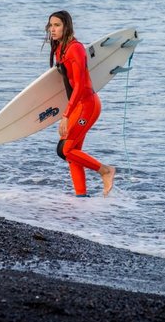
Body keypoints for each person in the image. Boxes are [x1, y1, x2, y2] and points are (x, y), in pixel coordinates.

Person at [45, 10, 116, 197]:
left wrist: (66, 115)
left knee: (65, 149)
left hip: (87, 105)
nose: (52, 29)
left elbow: (81, 86)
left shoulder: (74, 48)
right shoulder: (60, 48)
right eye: (50, 25)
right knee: (72, 153)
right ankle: (81, 198)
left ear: (66, 27)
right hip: (78, 105)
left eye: (57, 25)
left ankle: (106, 171)